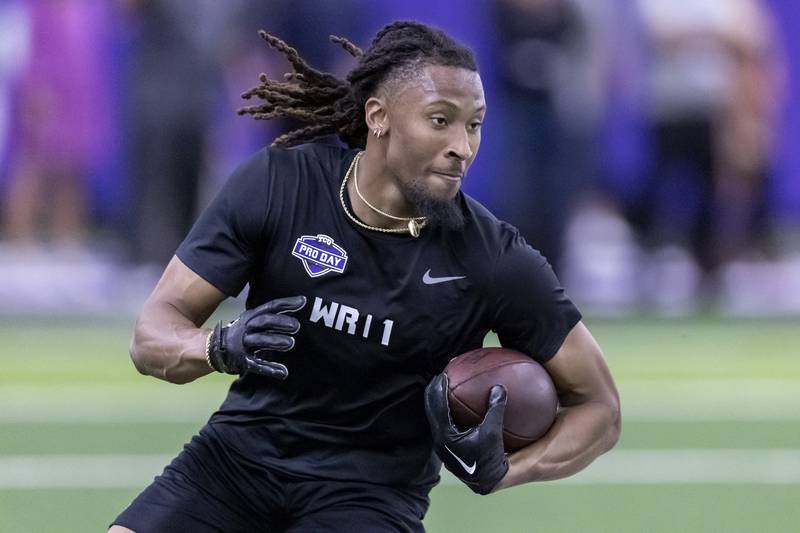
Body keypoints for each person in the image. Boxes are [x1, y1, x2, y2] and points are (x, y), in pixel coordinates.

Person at [110, 21, 620, 533]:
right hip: (233, 465)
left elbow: (599, 408)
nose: (462, 146)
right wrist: (216, 347)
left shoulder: (493, 258)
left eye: (474, 125)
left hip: (368, 498)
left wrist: (506, 469)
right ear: (378, 117)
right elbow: (151, 333)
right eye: (440, 120)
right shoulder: (280, 182)